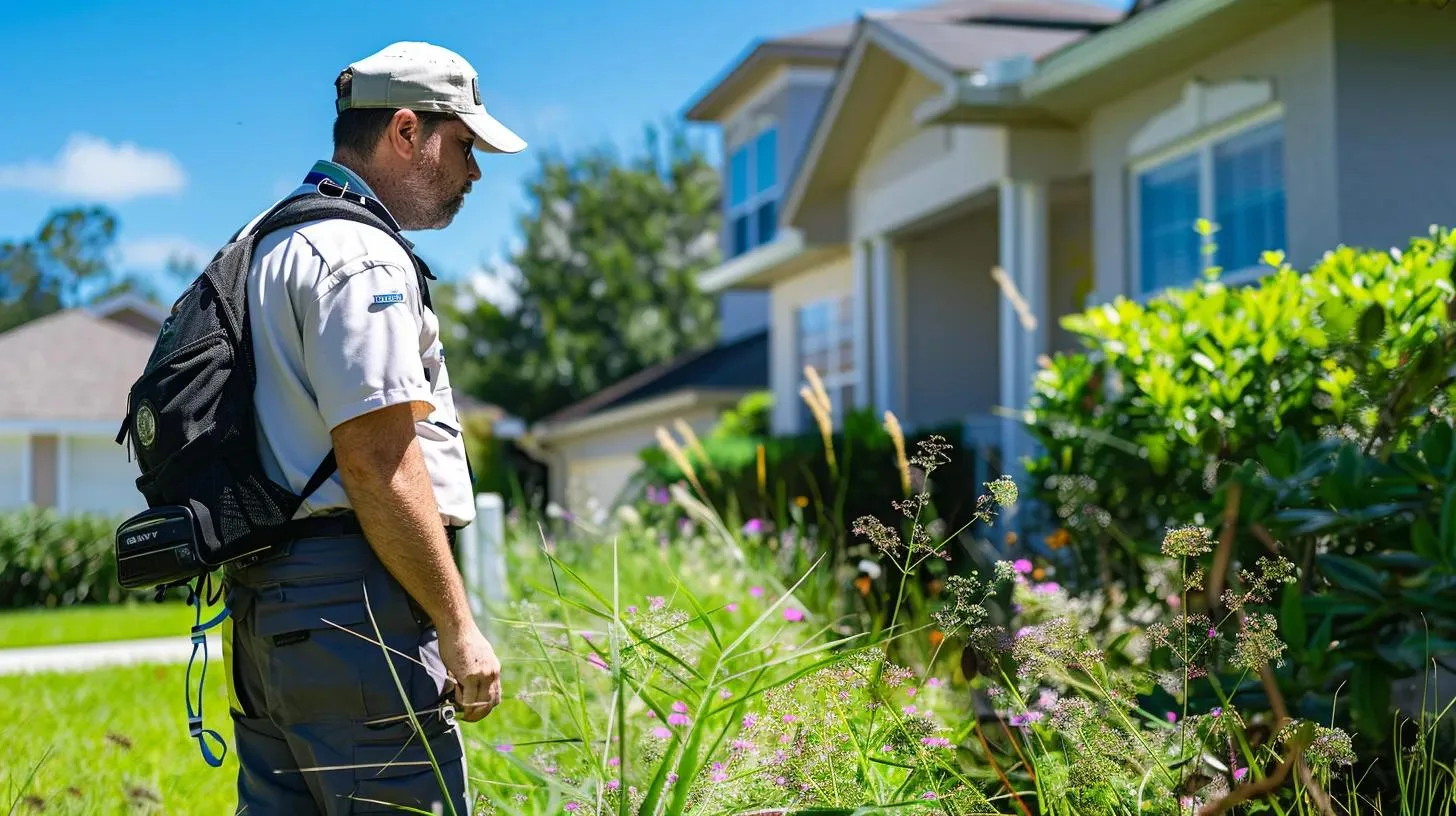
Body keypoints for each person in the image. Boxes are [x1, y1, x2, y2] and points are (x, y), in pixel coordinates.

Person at [220, 41, 526, 815]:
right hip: (354, 607)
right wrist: (458, 628)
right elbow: (377, 463)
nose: (474, 172)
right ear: (402, 131)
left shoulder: (265, 241)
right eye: (462, 145)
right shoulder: (361, 255)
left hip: (267, 607)